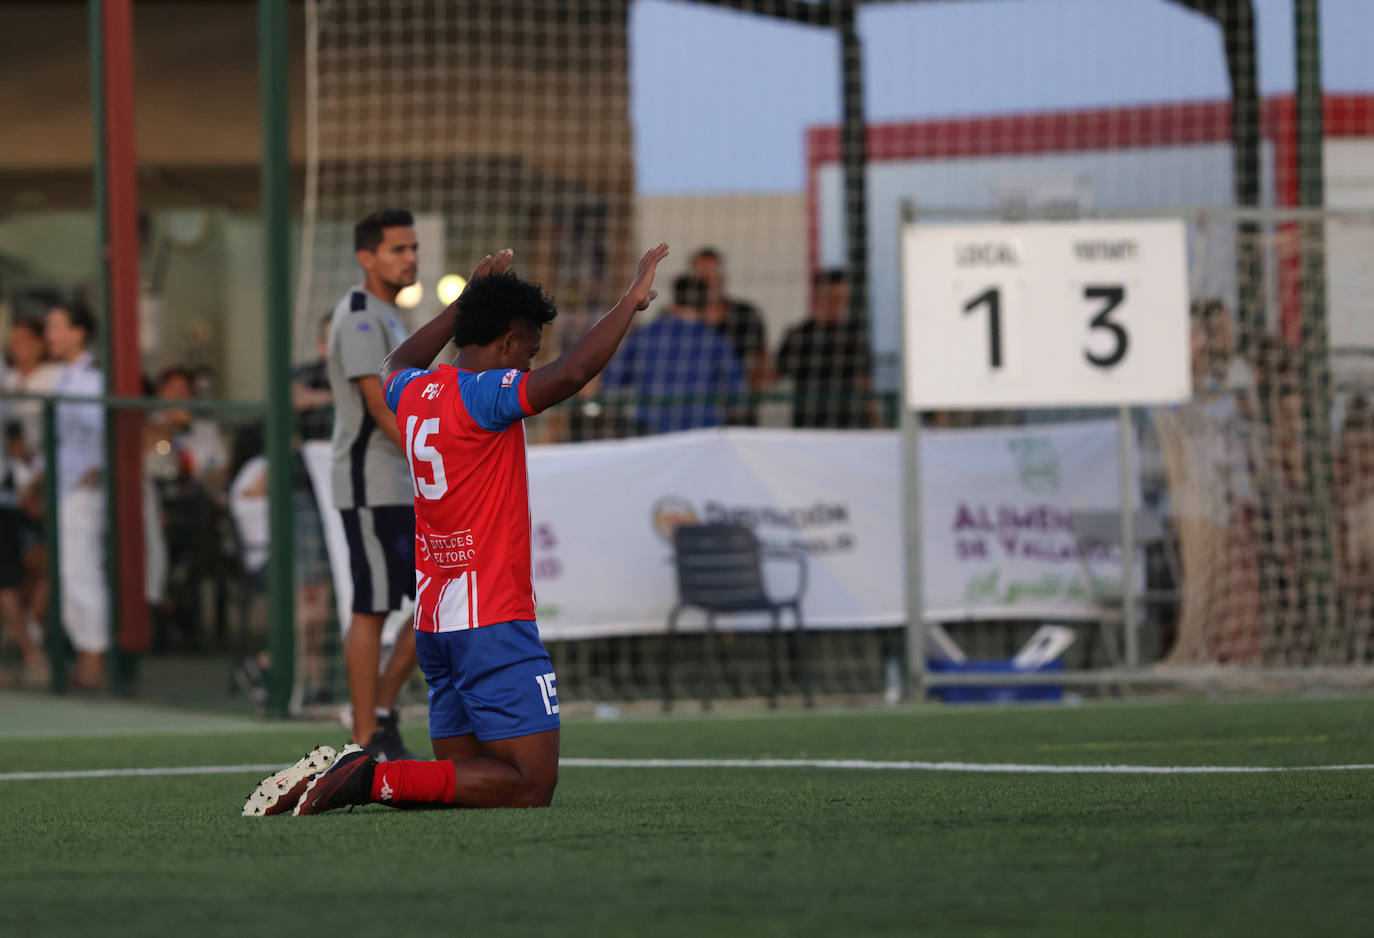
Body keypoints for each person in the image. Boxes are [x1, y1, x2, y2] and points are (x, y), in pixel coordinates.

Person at [244, 241, 669, 815]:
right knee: (529, 785)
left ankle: (367, 779)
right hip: (491, 618)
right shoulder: (485, 397)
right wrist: (629, 301)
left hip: (436, 624)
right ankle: (368, 780)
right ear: (508, 343)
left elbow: (393, 363)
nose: (526, 364)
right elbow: (573, 372)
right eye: (527, 351)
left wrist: (462, 304)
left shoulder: (415, 391)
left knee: (470, 786)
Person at [327, 208, 423, 760]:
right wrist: (430, 451)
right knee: (372, 607)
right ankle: (365, 736)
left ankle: (380, 707)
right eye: (397, 249)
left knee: (434, 599)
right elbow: (377, 402)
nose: (410, 258)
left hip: (399, 483)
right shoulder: (361, 313)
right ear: (367, 258)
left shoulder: (390, 314)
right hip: (371, 483)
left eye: (412, 248)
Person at [45, 302, 107, 689]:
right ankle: (84, 653)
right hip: (62, 486)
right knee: (69, 574)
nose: (50, 335)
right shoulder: (65, 377)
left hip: (81, 490)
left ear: (78, 332)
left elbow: (104, 433)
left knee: (82, 572)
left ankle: (94, 660)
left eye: (56, 327)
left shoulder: (92, 380)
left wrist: (92, 473)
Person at [600, 274, 746, 433]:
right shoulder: (716, 342)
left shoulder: (644, 336)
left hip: (650, 430)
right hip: (702, 431)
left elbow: (610, 381)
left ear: (674, 301)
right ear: (706, 304)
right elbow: (738, 395)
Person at [776, 269, 873, 428]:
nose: (838, 304)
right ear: (817, 298)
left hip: (850, 425)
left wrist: (875, 421)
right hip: (808, 424)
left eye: (842, 299)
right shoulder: (798, 336)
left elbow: (865, 382)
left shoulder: (855, 335)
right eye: (832, 298)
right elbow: (773, 376)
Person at [691, 247, 767, 398]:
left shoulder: (747, 315)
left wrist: (750, 394)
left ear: (722, 277)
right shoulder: (678, 318)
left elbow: (763, 360)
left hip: (738, 406)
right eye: (702, 275)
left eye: (712, 273)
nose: (708, 281)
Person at [292, 314, 335, 441]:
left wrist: (318, 398)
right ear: (321, 346)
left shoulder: (368, 374)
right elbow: (294, 397)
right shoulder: (308, 373)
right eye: (335, 339)